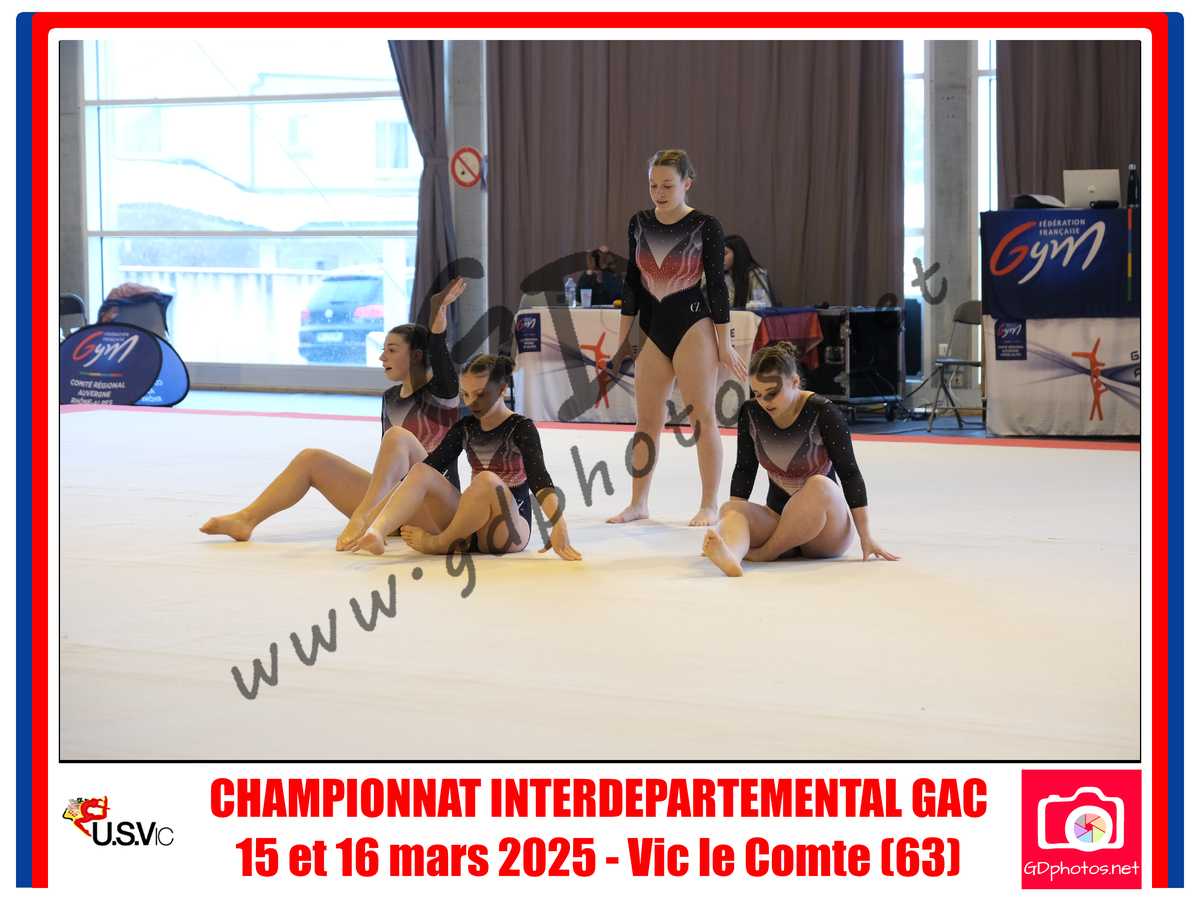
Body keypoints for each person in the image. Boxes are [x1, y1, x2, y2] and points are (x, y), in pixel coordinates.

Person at [198, 277, 468, 546]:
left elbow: (438, 347)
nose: (382, 357)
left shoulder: (442, 393)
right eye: (383, 350)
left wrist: (439, 309)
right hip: (395, 505)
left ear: (417, 355)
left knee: (397, 436)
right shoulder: (391, 398)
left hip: (434, 505)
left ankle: (364, 517)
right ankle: (245, 519)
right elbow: (389, 468)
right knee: (311, 458)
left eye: (392, 350)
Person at [606, 148, 748, 527]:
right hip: (652, 328)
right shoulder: (639, 223)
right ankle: (638, 502)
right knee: (646, 421)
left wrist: (724, 344)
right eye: (653, 185)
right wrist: (621, 343)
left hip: (693, 327)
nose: (659, 193)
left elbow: (717, 287)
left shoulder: (705, 225)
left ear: (687, 184)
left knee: (702, 418)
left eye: (668, 185)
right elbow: (632, 285)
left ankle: (709, 504)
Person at [348, 354, 582, 561]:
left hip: (508, 529)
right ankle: (377, 533)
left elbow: (539, 478)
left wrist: (558, 523)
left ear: (501, 389)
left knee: (486, 480)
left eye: (480, 394)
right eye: (466, 395)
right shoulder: (466, 427)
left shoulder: (521, 427)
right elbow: (425, 471)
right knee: (421, 470)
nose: (472, 403)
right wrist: (372, 519)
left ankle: (440, 543)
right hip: (469, 527)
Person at [701, 342, 899, 576]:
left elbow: (850, 473)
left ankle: (766, 553)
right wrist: (731, 525)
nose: (764, 401)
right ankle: (732, 554)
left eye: (772, 393)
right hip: (780, 521)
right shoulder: (751, 413)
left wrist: (866, 536)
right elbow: (745, 469)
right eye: (757, 394)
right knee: (731, 508)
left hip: (825, 531)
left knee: (819, 485)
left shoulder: (823, 412)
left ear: (794, 382)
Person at [723, 234, 777, 309]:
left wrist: (751, 306)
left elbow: (764, 304)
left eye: (724, 253)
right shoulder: (724, 276)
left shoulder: (755, 274)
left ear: (737, 253)